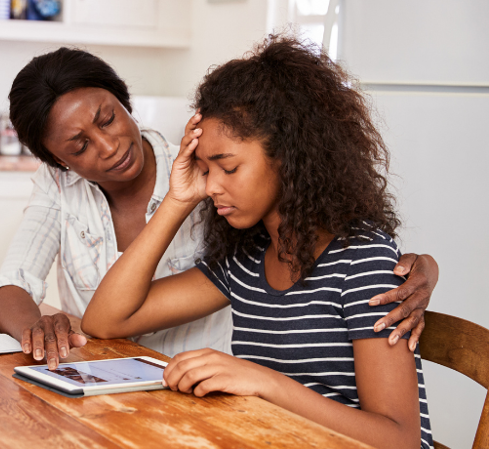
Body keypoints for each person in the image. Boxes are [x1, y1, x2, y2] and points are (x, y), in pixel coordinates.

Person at [0, 47, 439, 370]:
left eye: (108, 118)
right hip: (123, 386)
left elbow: (327, 241)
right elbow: (33, 290)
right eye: (79, 145)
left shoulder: (214, 171)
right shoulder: (239, 251)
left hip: (206, 390)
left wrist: (421, 267)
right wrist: (37, 329)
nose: (109, 145)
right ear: (60, 160)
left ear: (123, 101)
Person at [82, 35, 432, 449]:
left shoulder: (362, 261)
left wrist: (263, 382)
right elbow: (105, 321)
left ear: (287, 155)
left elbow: (401, 440)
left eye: (227, 168)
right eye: (204, 169)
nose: (211, 187)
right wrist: (177, 200)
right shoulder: (246, 260)